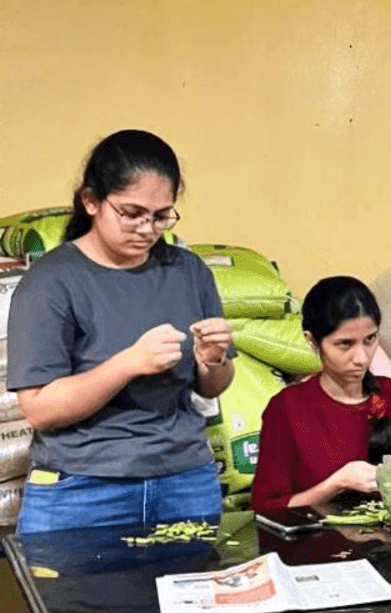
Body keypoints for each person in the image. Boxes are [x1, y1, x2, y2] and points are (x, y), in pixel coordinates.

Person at [7, 130, 235, 534]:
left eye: (161, 216)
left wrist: (213, 360)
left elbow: (212, 385)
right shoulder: (50, 282)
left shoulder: (188, 272)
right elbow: (39, 409)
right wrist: (128, 363)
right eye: (132, 213)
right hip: (82, 488)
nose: (147, 229)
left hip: (185, 480)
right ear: (91, 201)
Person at [252, 276, 391, 511]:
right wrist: (337, 484)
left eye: (370, 339)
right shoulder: (287, 408)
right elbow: (267, 508)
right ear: (312, 342)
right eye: (345, 344)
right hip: (317, 534)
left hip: (390, 531)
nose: (361, 358)